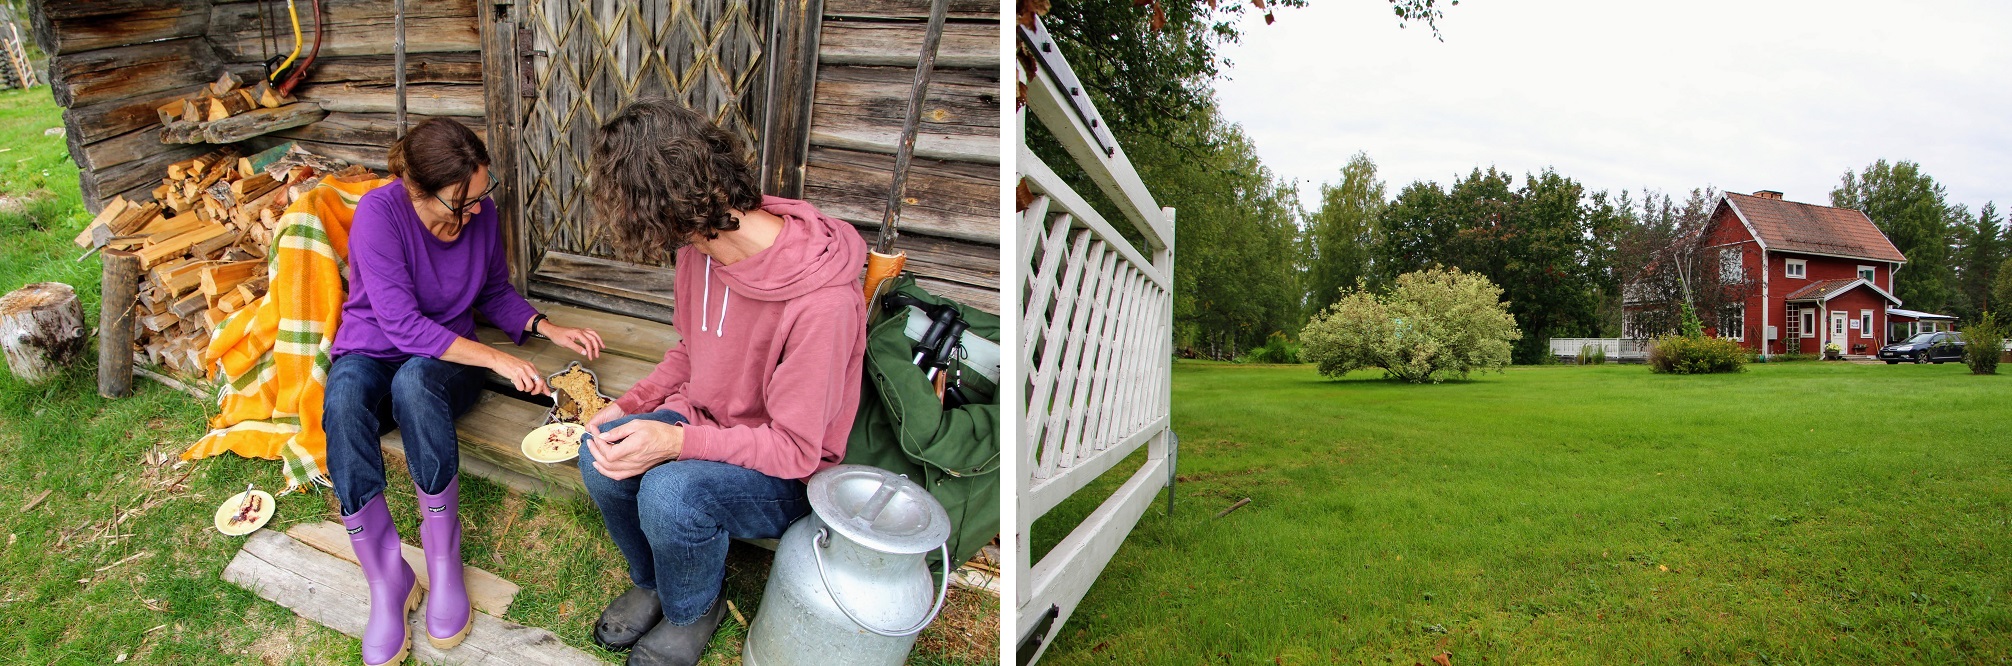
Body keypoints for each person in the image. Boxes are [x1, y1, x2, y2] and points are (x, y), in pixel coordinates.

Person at [575, 98, 868, 666]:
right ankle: (655, 581)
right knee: (600, 453)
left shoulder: (822, 303)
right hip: (706, 421)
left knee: (672, 492)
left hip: (786, 471)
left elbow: (795, 449)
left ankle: (694, 608)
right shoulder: (701, 248)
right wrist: (631, 405)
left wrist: (677, 443)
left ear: (657, 208)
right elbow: (693, 348)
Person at [323, 118, 605, 666]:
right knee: (342, 398)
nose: (474, 212)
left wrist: (545, 326)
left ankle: (443, 564)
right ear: (416, 190)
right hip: (375, 349)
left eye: (480, 196)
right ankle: (388, 582)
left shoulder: (482, 213)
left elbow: (495, 291)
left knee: (416, 380)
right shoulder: (379, 216)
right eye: (460, 203)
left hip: (444, 368)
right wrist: (499, 357)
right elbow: (402, 326)